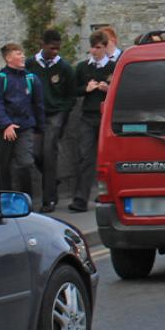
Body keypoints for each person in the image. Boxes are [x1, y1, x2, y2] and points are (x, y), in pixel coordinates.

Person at [0, 42, 46, 197]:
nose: (23, 56)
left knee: (25, 164)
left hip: (25, 128)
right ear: (8, 58)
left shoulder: (31, 79)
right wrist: (6, 124)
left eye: (22, 53)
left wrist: (40, 128)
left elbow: (38, 104)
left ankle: (27, 201)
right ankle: (4, 201)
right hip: (3, 130)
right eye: (18, 53)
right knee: (2, 167)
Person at [25, 28, 76, 213]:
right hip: (35, 114)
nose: (55, 52)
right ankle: (52, 182)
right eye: (52, 48)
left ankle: (49, 199)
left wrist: (63, 112)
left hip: (55, 114)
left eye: (57, 49)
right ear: (43, 45)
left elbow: (71, 95)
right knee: (36, 154)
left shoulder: (64, 68)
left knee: (49, 153)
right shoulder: (30, 64)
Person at [71, 30, 116, 212]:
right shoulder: (83, 67)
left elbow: (120, 89)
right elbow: (74, 90)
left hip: (106, 117)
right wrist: (86, 88)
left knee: (107, 158)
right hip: (88, 116)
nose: (94, 51)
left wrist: (108, 89)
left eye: (98, 47)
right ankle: (81, 198)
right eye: (92, 47)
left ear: (105, 47)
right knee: (85, 157)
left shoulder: (114, 66)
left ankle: (107, 194)